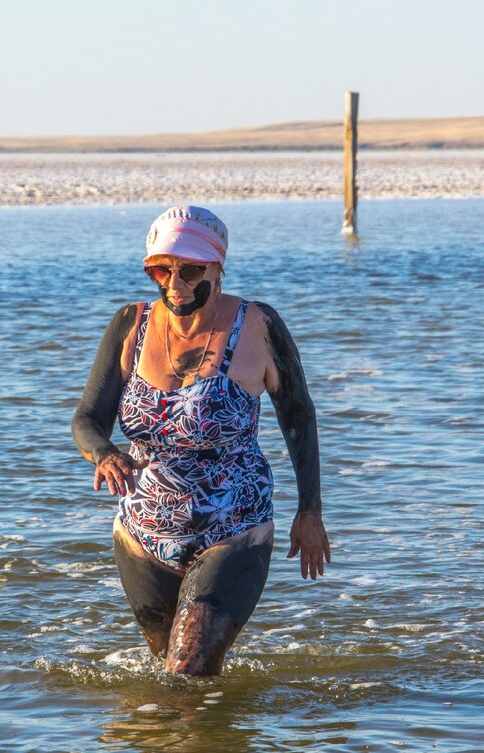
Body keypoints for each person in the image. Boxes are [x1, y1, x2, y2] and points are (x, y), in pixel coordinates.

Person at [72, 205, 328, 676]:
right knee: (173, 676)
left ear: (217, 267)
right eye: (161, 270)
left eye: (191, 271)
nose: (176, 284)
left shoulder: (257, 326)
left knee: (186, 668)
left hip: (234, 528)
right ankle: (189, 747)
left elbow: (298, 416)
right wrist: (103, 453)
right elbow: (87, 419)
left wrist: (309, 511)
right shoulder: (131, 325)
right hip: (143, 534)